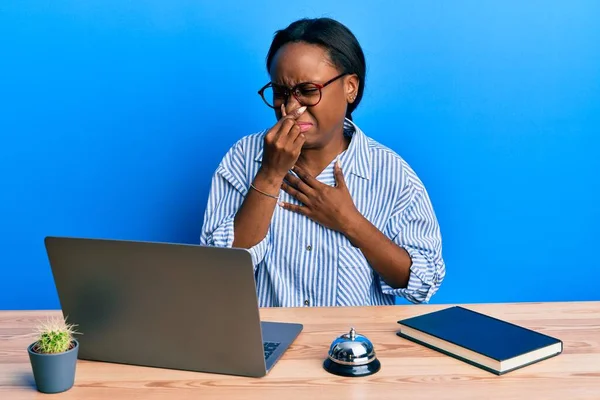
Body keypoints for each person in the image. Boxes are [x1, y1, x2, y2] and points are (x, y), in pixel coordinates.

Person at [200, 17, 445, 307]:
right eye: (281, 92)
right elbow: (215, 274)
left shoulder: (391, 173)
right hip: (268, 345)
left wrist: (350, 222)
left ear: (350, 87)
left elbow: (424, 283)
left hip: (353, 345)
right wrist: (269, 174)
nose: (290, 107)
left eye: (307, 90)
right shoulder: (244, 158)